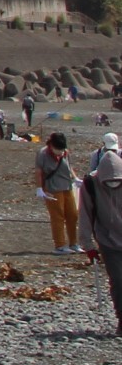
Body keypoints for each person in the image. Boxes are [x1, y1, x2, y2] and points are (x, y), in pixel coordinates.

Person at [79, 133, 122, 334]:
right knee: (118, 281)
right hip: (107, 240)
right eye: (109, 182)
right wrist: (88, 245)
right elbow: (85, 215)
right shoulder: (90, 183)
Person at [38, 132, 81, 254]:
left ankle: (74, 243)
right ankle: (60, 245)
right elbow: (38, 171)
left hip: (67, 187)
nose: (60, 151)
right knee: (58, 217)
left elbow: (69, 166)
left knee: (72, 215)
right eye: (58, 148)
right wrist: (39, 188)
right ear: (51, 145)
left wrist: (75, 178)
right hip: (52, 189)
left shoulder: (65, 152)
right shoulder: (42, 154)